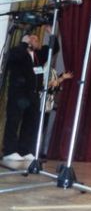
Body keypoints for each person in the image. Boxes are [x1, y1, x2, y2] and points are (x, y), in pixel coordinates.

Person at [2, 32, 58, 168]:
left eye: (38, 39)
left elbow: (54, 48)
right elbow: (13, 57)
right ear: (27, 40)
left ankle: (25, 150)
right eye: (33, 39)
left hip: (33, 95)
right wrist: (23, 43)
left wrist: (51, 33)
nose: (37, 41)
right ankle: (9, 151)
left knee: (30, 124)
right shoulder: (18, 52)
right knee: (14, 121)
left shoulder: (38, 55)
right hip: (18, 94)